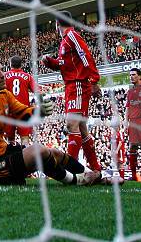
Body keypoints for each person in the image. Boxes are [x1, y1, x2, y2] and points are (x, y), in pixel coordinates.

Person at [0, 59, 101, 186]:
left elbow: (22, 112)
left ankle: (92, 175)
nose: (2, 75)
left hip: (4, 154)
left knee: (55, 153)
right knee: (38, 151)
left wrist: (40, 111)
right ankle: (77, 181)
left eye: (2, 70)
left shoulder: (4, 94)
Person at [41, 11, 103, 175]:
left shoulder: (72, 36)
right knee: (81, 128)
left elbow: (85, 56)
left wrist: (94, 80)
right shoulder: (65, 41)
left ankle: (71, 170)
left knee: (71, 125)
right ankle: (96, 168)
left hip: (78, 85)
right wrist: (50, 62)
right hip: (71, 86)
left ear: (57, 23)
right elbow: (63, 65)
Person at [4, 55, 38, 146]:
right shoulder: (28, 77)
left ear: (10, 64)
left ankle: (12, 159)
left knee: (10, 140)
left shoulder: (4, 76)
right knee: (25, 138)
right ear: (21, 65)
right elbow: (37, 91)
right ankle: (25, 159)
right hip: (23, 111)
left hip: (9, 111)